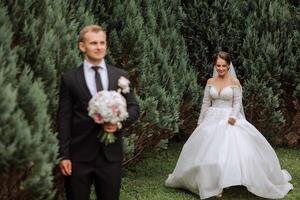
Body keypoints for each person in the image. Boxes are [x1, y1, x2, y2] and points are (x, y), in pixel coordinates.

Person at [165, 51, 293, 199]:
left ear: (229, 66)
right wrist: (200, 122)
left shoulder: (234, 83)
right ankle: (211, 184)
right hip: (211, 118)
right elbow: (206, 103)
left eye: (223, 66)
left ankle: (224, 182)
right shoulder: (210, 82)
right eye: (218, 65)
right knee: (207, 153)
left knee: (227, 153)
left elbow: (237, 102)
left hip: (229, 118)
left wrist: (233, 116)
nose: (220, 68)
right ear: (215, 66)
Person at [57, 25, 140, 200]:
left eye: (102, 42)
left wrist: (118, 124)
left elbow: (134, 108)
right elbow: (64, 117)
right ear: (82, 46)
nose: (99, 47)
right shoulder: (70, 78)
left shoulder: (120, 76)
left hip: (110, 156)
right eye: (93, 43)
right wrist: (64, 155)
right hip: (78, 155)